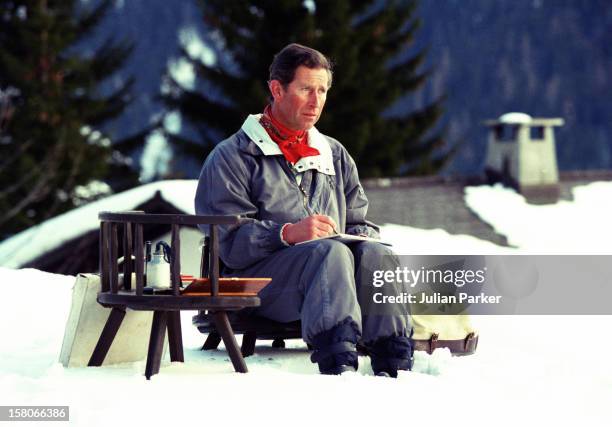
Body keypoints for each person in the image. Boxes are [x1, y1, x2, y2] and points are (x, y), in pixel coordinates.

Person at [195, 43, 412, 377]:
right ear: (277, 89)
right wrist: (286, 234)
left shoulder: (335, 155)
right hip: (256, 285)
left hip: (332, 283)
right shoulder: (231, 157)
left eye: (323, 90)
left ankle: (396, 362)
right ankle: (338, 364)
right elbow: (230, 243)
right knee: (327, 254)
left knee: (376, 255)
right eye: (306, 89)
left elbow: (358, 221)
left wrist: (361, 241)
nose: (316, 101)